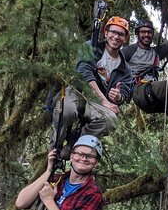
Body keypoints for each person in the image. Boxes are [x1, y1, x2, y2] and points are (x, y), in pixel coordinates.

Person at [52, 16, 134, 159]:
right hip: (78, 91)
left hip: (95, 102)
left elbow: (125, 91)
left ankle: (76, 141)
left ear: (126, 38)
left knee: (111, 120)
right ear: (106, 33)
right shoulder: (90, 46)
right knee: (66, 111)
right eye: (113, 32)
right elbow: (84, 72)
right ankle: (54, 150)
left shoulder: (125, 68)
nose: (116, 36)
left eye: (121, 34)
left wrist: (118, 97)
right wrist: (105, 100)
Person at [120, 11, 168, 118]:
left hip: (151, 97)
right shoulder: (129, 50)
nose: (146, 35)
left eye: (149, 32)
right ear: (137, 34)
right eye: (143, 32)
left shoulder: (157, 52)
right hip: (140, 90)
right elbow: (115, 64)